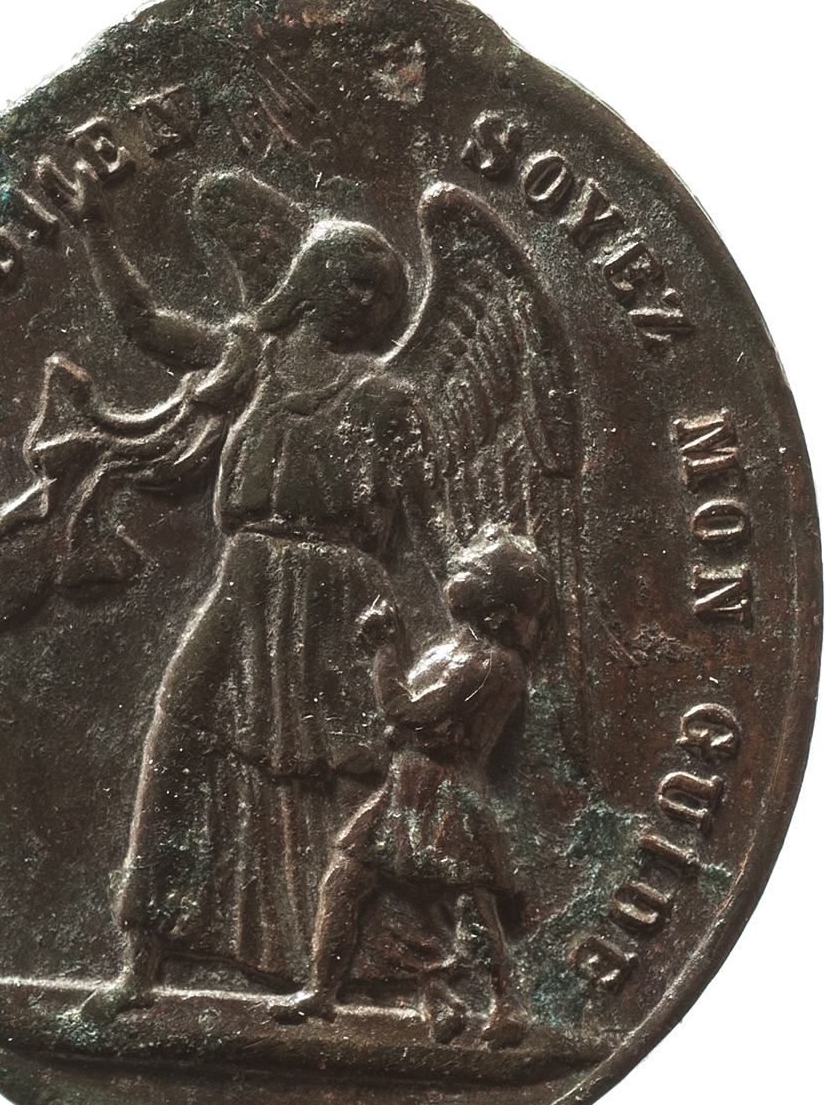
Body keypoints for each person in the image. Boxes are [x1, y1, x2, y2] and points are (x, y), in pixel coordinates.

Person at [80, 205, 450, 1019]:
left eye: (383, 293)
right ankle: (141, 962)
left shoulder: (387, 400)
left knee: (358, 773)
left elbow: (436, 534)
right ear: (316, 278)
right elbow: (142, 323)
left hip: (345, 596)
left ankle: (424, 976)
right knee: (179, 730)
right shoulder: (249, 360)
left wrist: (479, 615)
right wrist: (95, 227)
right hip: (247, 580)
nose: (369, 302)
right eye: (358, 280)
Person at [269, 527, 550, 1046]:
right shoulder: (456, 651)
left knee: (471, 906)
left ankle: (506, 1003)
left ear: (498, 606)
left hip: (446, 797)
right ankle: (323, 990)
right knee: (344, 880)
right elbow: (410, 725)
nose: (457, 572)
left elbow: (406, 711)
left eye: (473, 570)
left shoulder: (489, 663)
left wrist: (385, 651)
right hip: (405, 789)